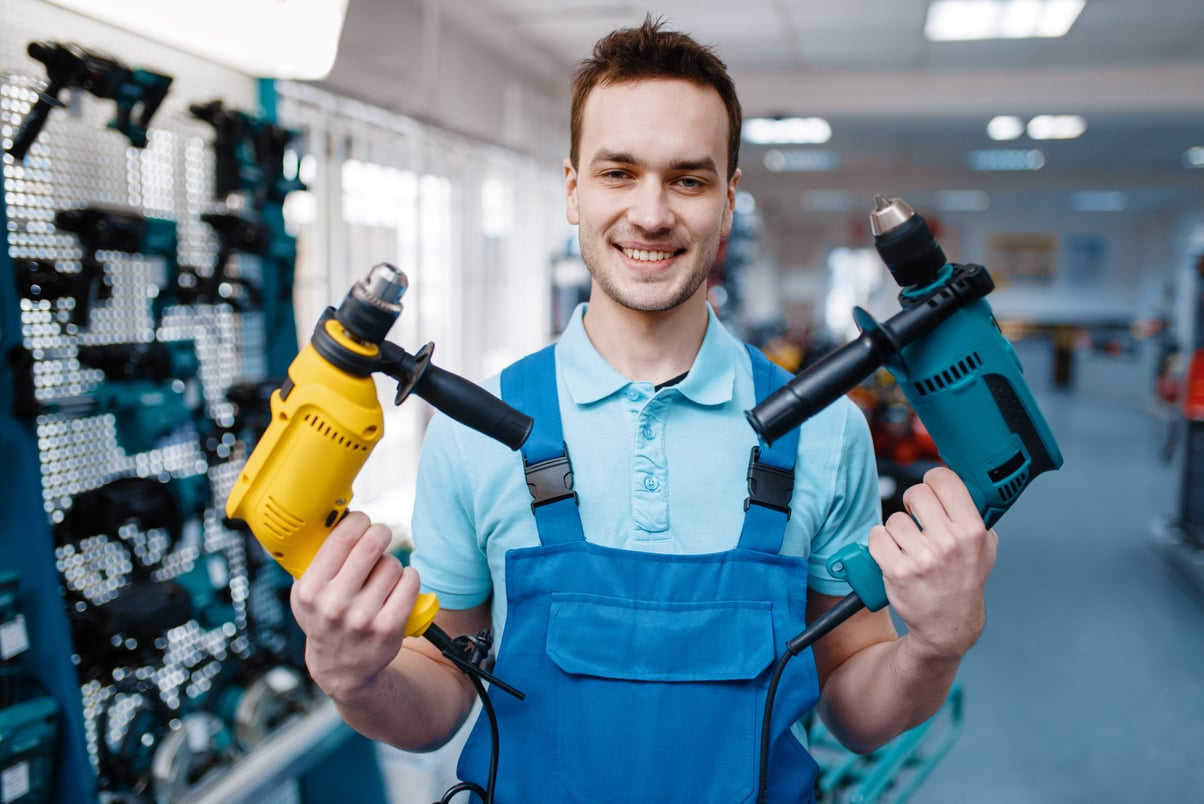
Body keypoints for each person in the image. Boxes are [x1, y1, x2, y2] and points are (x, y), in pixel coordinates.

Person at [289, 15, 998, 802]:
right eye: (618, 173)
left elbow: (855, 700)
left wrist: (936, 645)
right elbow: (439, 692)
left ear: (728, 202)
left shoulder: (825, 430)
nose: (653, 213)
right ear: (572, 189)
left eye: (689, 180)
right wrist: (354, 680)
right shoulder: (475, 431)